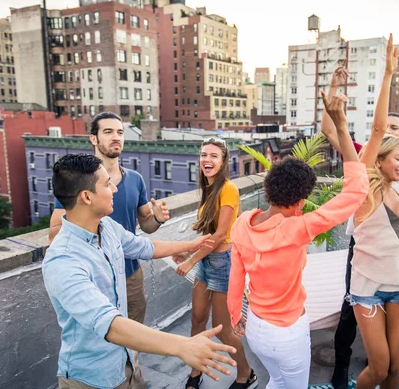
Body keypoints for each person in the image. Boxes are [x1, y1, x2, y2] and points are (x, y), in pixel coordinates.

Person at [44, 153, 238, 389]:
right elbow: (109, 323)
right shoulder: (63, 259)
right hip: (91, 378)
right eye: (107, 184)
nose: (114, 189)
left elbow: (145, 246)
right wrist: (181, 346)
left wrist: (191, 245)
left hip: (125, 364)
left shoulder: (107, 228)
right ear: (86, 196)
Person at [227, 91, 369, 389]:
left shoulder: (242, 224)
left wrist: (233, 314)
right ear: (300, 200)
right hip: (288, 334)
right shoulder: (297, 229)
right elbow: (356, 191)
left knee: (276, 381)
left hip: (254, 328)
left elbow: (236, 276)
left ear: (269, 189)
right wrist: (342, 127)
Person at [321, 41, 399, 389]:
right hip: (369, 289)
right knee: (379, 368)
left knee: (394, 370)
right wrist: (387, 73)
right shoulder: (366, 188)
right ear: (379, 159)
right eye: (397, 156)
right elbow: (377, 129)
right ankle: (341, 369)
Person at [49, 112, 167, 327]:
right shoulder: (80, 180)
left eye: (120, 132)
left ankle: (134, 363)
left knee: (135, 340)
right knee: (103, 337)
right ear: (93, 139)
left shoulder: (135, 179)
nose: (116, 137)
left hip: (131, 275)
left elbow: (146, 226)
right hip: (95, 277)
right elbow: (56, 231)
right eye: (108, 132)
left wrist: (157, 218)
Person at [175, 137, 257, 389]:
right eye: (203, 155)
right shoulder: (209, 188)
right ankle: (196, 369)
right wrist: (187, 250)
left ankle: (246, 373)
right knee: (197, 319)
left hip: (223, 263)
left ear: (223, 162)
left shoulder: (228, 188)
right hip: (206, 259)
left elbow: (221, 235)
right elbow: (208, 232)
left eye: (213, 156)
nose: (206, 160)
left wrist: (189, 261)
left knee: (222, 328)